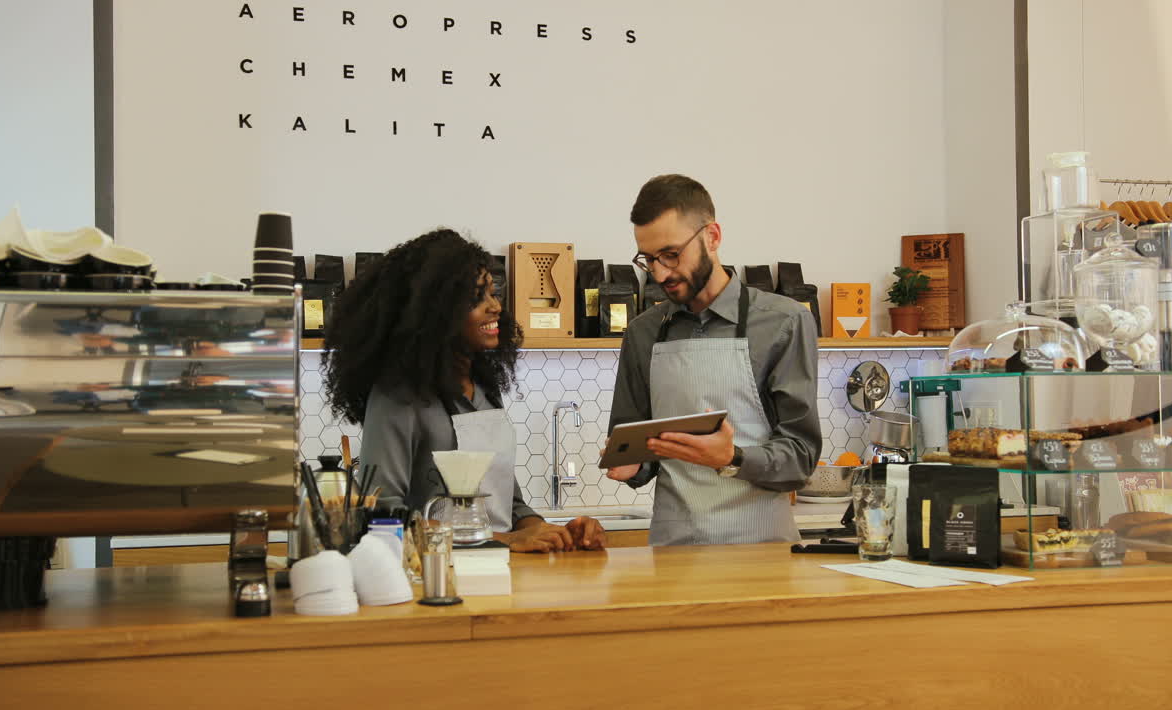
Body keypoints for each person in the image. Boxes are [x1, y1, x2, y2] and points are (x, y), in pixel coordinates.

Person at [323, 228, 605, 552]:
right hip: (434, 583)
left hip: (500, 576)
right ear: (432, 313)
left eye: (492, 293)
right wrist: (506, 540)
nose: (495, 306)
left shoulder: (484, 392)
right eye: (476, 298)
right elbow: (382, 517)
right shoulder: (398, 399)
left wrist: (553, 531)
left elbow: (510, 506)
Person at [606, 175, 821, 545]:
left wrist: (732, 458)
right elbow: (639, 449)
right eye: (648, 259)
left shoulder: (784, 322)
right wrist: (632, 464)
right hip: (673, 554)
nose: (659, 273)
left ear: (712, 237)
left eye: (671, 255)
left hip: (763, 554)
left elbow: (801, 457)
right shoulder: (642, 332)